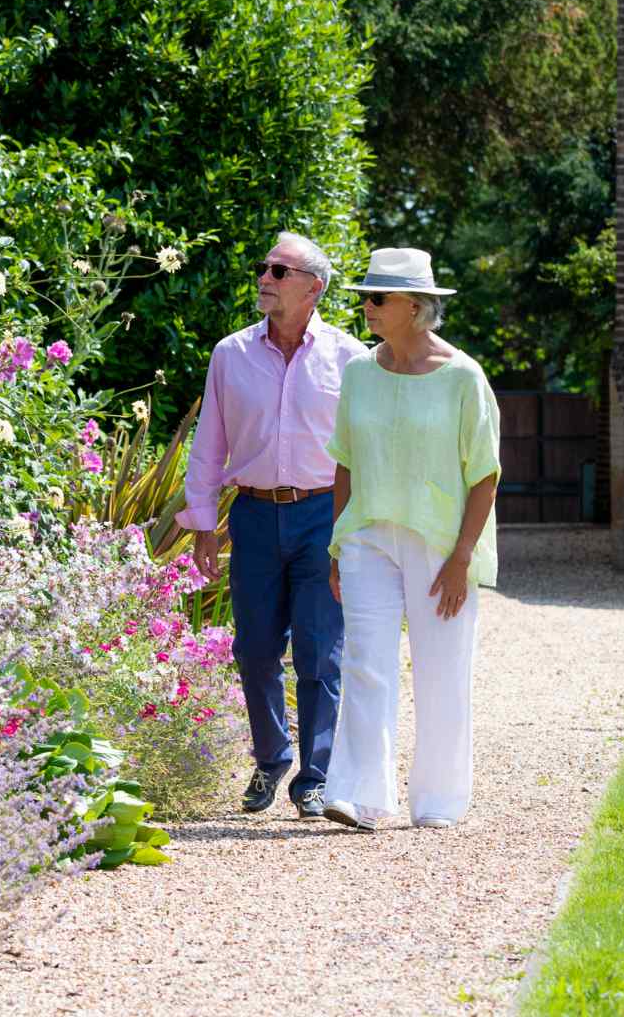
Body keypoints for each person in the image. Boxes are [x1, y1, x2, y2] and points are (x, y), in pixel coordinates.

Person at [176, 231, 369, 818]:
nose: (264, 278)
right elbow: (209, 443)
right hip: (254, 515)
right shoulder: (229, 355)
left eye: (279, 271)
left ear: (314, 286)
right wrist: (203, 522)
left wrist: (357, 528)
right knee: (255, 649)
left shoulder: (351, 359)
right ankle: (270, 759)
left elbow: (364, 452)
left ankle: (315, 776)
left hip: (323, 515)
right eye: (264, 268)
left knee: (320, 651)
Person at [318, 247, 501, 831]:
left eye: (378, 298)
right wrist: (337, 546)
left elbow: (485, 472)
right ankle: (358, 796)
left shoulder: (463, 377)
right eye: (365, 297)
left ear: (416, 307)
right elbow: (344, 463)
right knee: (365, 660)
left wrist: (462, 556)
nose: (366, 307)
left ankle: (439, 803)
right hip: (368, 537)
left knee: (442, 668)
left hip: (441, 545)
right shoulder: (359, 375)